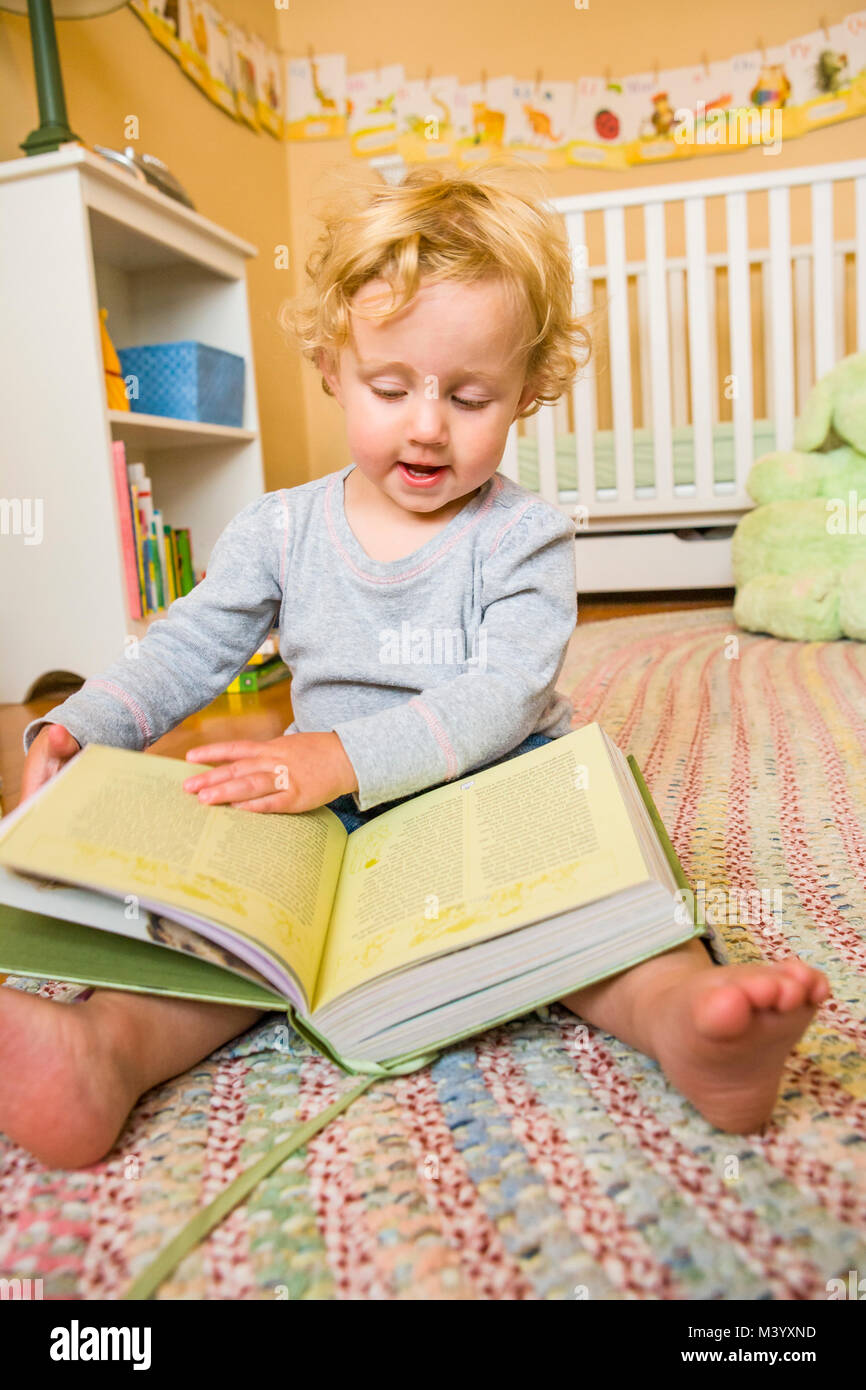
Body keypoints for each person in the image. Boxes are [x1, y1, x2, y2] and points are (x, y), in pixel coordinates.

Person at [3, 163, 829, 1170]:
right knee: (218, 938)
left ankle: (686, 1019)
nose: (428, 423)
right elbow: (189, 641)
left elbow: (501, 694)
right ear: (330, 367)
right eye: (390, 387)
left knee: (590, 905)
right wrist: (82, 723)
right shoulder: (279, 526)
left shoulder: (521, 535)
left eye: (470, 394)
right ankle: (103, 1052)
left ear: (525, 395)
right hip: (319, 815)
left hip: (485, 790)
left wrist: (343, 754)